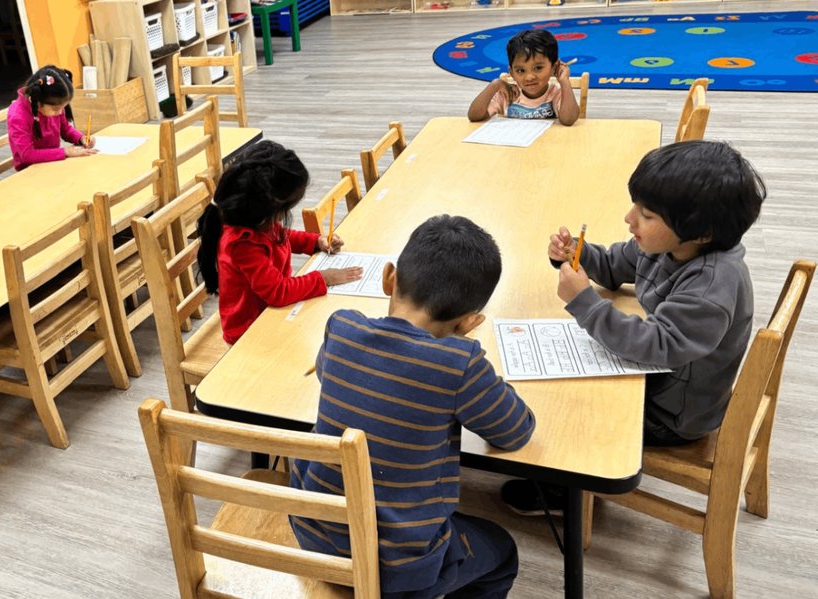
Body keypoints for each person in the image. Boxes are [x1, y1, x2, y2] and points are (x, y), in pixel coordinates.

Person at [501, 140, 766, 515]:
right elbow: (614, 265)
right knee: (560, 389)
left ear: (701, 233)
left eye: (646, 214)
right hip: (663, 382)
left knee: (568, 410)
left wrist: (584, 302)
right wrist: (578, 253)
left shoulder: (711, 286)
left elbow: (656, 346)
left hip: (673, 414)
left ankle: (566, 493)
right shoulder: (668, 245)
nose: (630, 218)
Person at [290, 215, 536, 599]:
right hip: (398, 570)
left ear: (389, 278)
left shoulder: (342, 327)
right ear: (470, 322)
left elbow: (327, 373)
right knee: (502, 551)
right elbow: (516, 431)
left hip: (313, 531)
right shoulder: (459, 363)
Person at [197, 140, 364, 344]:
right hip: (250, 332)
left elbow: (282, 236)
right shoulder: (241, 244)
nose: (283, 216)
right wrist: (324, 277)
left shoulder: (256, 220)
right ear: (268, 208)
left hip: (272, 313)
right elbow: (278, 292)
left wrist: (316, 241)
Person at [467, 29, 580, 126]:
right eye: (521, 70)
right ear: (511, 72)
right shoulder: (506, 95)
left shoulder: (557, 94)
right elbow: (474, 116)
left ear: (554, 68)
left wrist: (564, 81)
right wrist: (495, 85)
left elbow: (568, 120)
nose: (529, 77)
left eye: (538, 68)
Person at [7, 65, 96, 171]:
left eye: (63, 107)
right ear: (38, 102)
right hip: (30, 170)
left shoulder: (53, 103)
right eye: (56, 109)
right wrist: (65, 151)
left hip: (52, 163)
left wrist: (81, 138)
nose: (60, 112)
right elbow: (27, 155)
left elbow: (65, 129)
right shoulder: (18, 116)